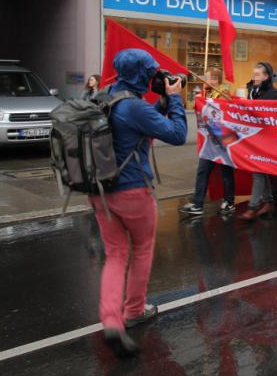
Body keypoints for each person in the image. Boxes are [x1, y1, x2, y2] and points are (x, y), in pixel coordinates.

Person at [93, 49, 187, 356]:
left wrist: (160, 102)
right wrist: (174, 98)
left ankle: (110, 320)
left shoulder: (106, 95)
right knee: (143, 250)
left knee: (116, 254)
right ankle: (133, 310)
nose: (155, 76)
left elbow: (141, 123)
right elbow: (177, 134)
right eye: (151, 71)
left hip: (99, 190)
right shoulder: (134, 107)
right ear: (143, 74)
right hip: (133, 191)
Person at [179, 67, 236, 216]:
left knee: (226, 172)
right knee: (202, 171)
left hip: (222, 140)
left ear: (215, 80)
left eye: (208, 77)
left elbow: (224, 114)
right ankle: (198, 203)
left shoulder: (224, 94)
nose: (205, 79)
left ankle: (229, 201)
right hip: (209, 141)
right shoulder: (208, 93)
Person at [239, 63, 277, 222]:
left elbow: (276, 117)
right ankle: (269, 202)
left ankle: (253, 206)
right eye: (253, 73)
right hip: (255, 138)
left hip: (267, 139)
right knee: (260, 171)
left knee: (257, 171)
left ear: (266, 77)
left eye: (257, 75)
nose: (253, 77)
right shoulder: (252, 91)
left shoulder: (274, 94)